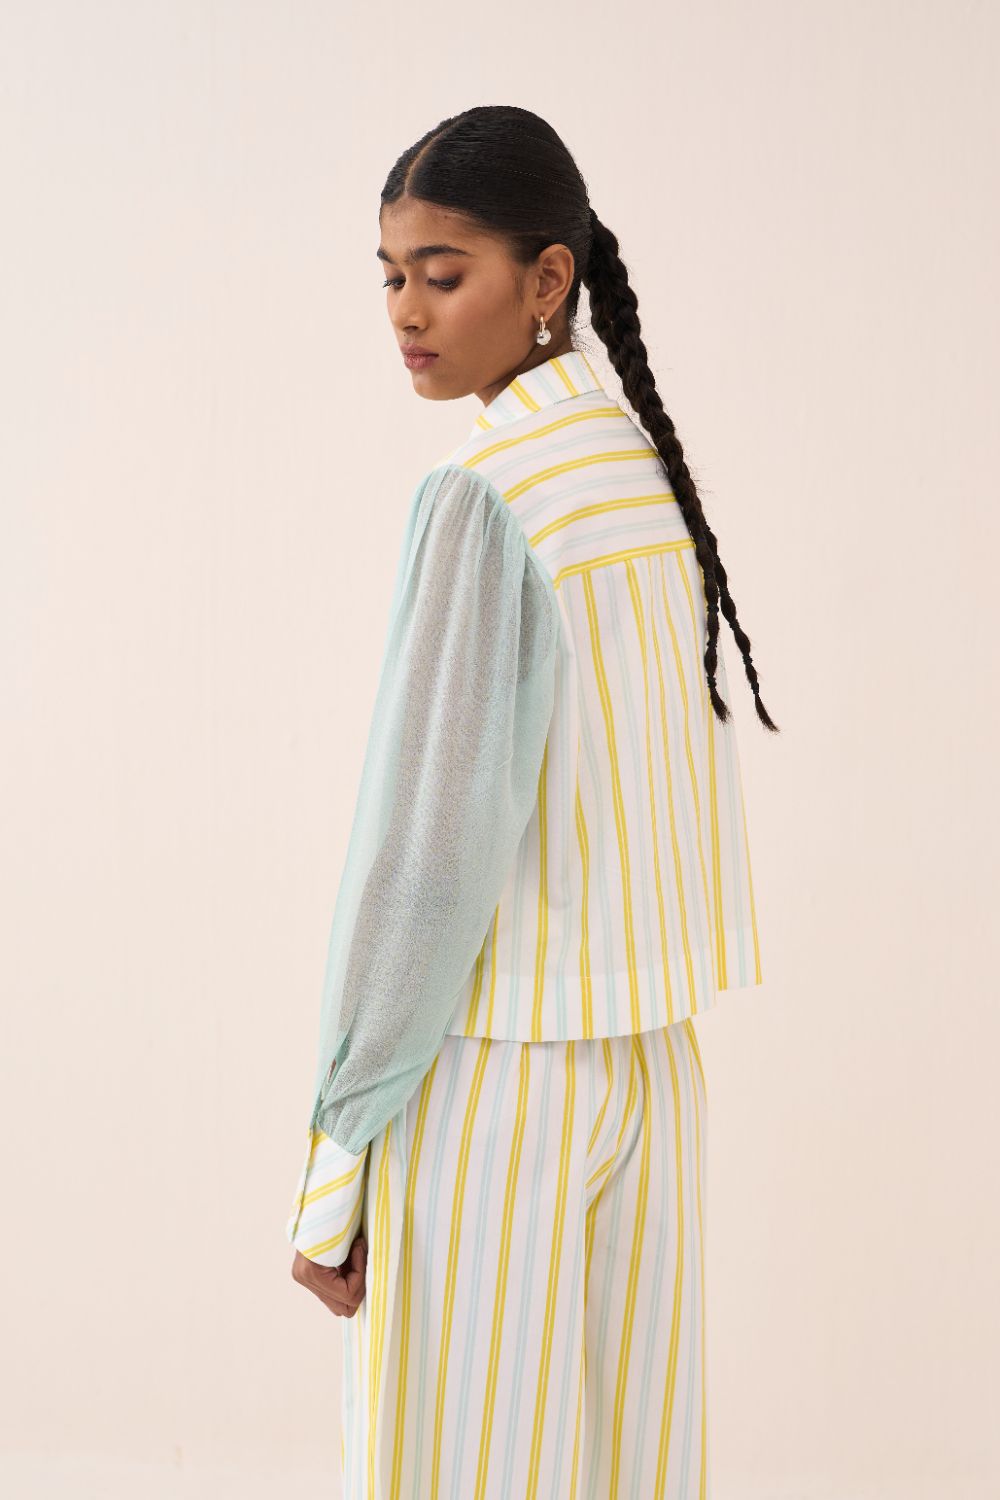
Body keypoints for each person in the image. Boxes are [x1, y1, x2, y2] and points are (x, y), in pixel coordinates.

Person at [285, 103, 778, 1500]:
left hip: (494, 1076)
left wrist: (337, 1150)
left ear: (547, 278)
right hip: (653, 1068)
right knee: (634, 1469)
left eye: (443, 274)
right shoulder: (634, 471)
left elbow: (425, 858)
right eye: (391, 275)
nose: (407, 311)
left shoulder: (487, 493)